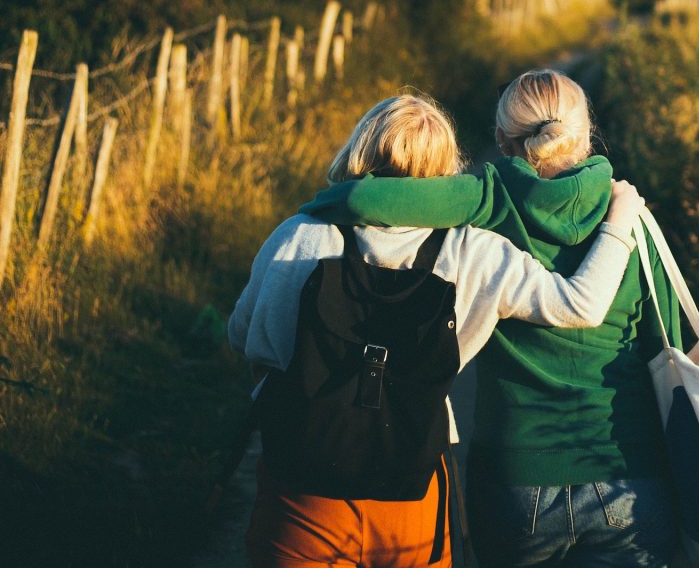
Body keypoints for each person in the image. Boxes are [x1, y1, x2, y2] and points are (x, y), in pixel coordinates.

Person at [228, 93, 647, 568]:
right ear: (447, 166)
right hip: (414, 491)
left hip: (303, 491)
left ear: (359, 150)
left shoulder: (299, 235)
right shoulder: (474, 251)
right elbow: (580, 303)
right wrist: (620, 220)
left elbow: (245, 336)